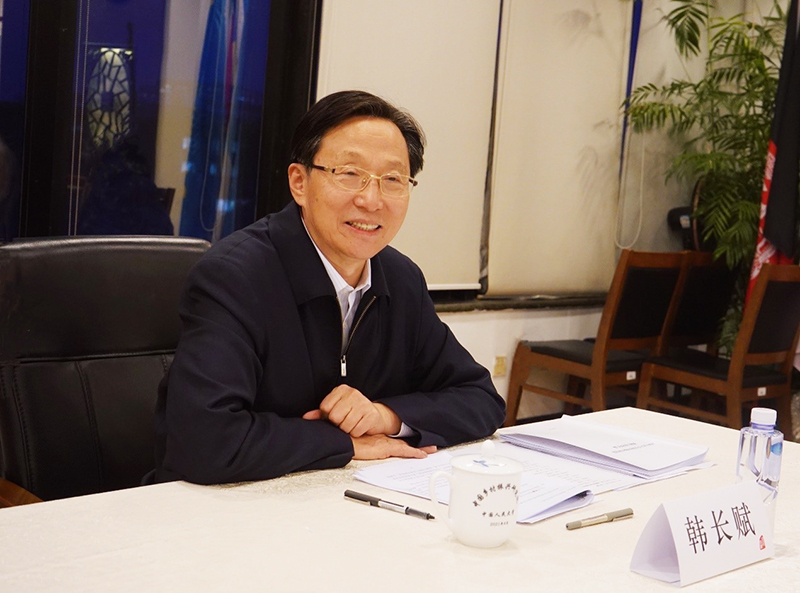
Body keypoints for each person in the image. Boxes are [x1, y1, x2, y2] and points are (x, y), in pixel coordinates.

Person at [153, 90, 505, 484]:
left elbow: (481, 400)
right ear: (299, 182)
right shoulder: (235, 277)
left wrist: (383, 416)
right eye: (349, 174)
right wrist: (344, 443)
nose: (371, 200)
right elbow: (204, 441)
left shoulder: (401, 279)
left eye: (392, 179)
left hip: (344, 498)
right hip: (217, 505)